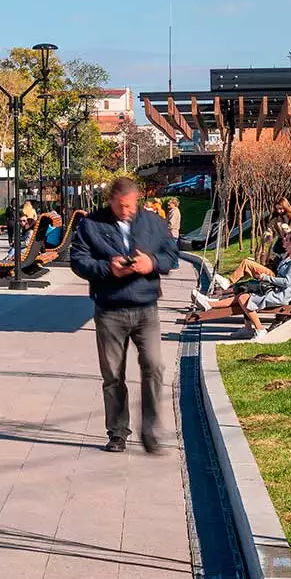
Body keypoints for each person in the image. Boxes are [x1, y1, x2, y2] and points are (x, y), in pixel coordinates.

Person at [70, 177, 178, 454]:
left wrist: (150, 263)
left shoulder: (153, 222)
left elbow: (172, 255)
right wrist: (108, 268)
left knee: (154, 366)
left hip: (146, 308)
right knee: (113, 375)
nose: (126, 211)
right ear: (112, 201)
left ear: (137, 200)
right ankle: (117, 432)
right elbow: (78, 260)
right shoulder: (91, 225)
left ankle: (151, 430)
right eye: (121, 207)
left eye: (130, 206)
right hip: (110, 310)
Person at [191, 231, 291, 341]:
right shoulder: (290, 258)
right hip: (276, 290)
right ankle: (210, 304)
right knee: (242, 295)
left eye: (287, 240)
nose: (284, 242)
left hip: (280, 295)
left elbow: (287, 282)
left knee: (244, 298)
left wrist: (265, 277)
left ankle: (260, 329)